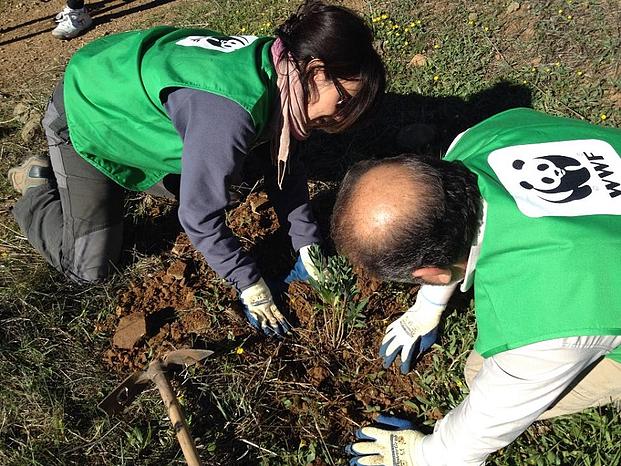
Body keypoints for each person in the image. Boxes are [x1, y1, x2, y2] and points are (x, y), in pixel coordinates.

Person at [8, 1, 385, 337]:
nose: (342, 117)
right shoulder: (230, 113)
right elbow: (198, 217)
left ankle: (113, 175)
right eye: (344, 101)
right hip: (86, 107)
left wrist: (307, 244)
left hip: (123, 85)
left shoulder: (281, 65)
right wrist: (248, 282)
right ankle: (37, 184)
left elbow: (286, 164)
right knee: (88, 268)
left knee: (228, 177)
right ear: (316, 70)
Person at [331, 108, 621, 465]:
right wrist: (428, 309)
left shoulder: (547, 323)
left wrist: (424, 454)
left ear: (431, 273)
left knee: (479, 373)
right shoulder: (483, 138)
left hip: (585, 300)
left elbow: (478, 432)